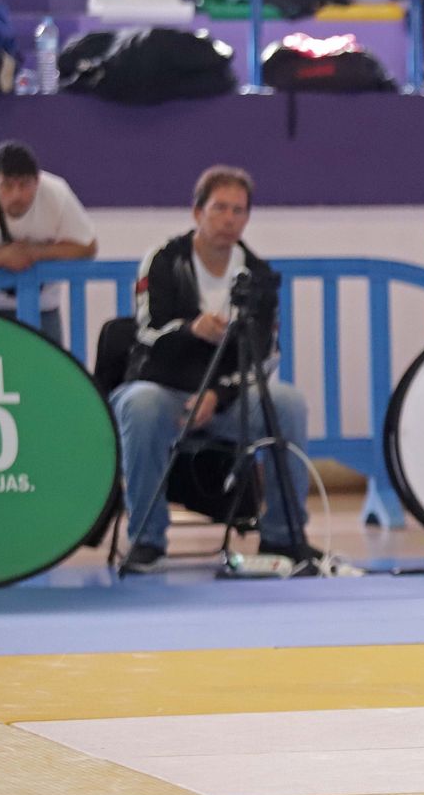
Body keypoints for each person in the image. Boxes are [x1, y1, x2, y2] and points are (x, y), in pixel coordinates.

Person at [111, 167, 316, 575]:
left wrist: (217, 395)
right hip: (164, 388)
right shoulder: (163, 260)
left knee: (288, 403)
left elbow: (263, 356)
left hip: (229, 398)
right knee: (140, 406)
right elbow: (147, 332)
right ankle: (147, 539)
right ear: (197, 212)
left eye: (238, 211)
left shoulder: (259, 274)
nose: (229, 219)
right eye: (219, 208)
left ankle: (284, 534)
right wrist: (191, 329)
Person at [0, 140, 99, 346]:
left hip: (45, 307)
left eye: (24, 185)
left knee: (50, 365)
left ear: (37, 181)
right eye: (7, 186)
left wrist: (34, 252)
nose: (17, 195)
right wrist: (1, 256)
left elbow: (87, 246)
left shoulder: (56, 192)